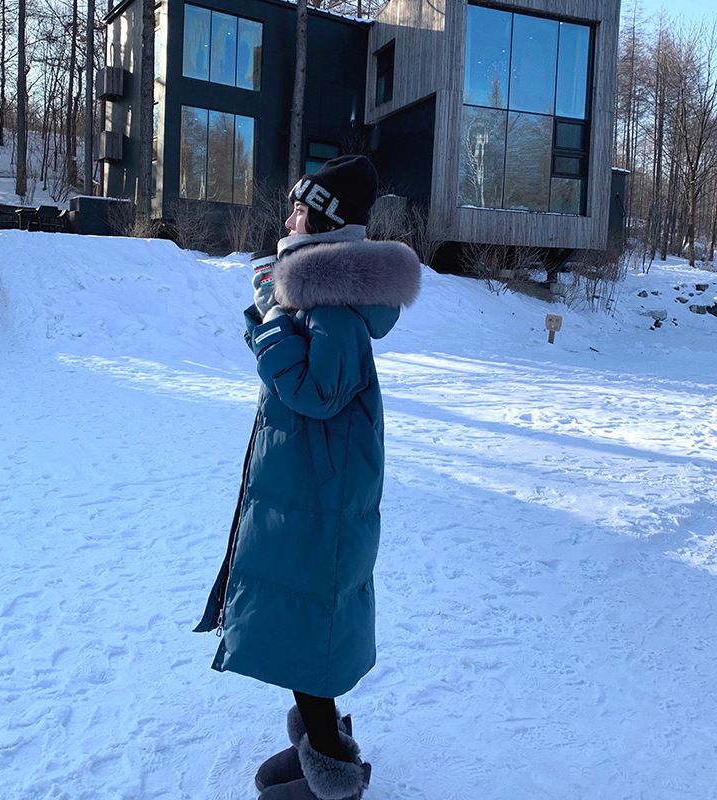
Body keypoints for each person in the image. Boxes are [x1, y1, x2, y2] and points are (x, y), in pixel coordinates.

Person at [195, 155, 421, 800]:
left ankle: (333, 773)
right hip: (307, 496)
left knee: (306, 629)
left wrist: (271, 317)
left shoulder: (336, 309)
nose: (289, 219)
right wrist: (273, 310)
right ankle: (324, 746)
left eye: (300, 211)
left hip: (320, 503)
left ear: (325, 226)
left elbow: (318, 392)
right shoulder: (317, 296)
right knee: (303, 625)